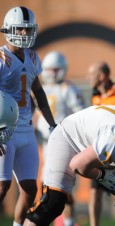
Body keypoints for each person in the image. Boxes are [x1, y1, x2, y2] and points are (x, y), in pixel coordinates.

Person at [0, 6, 57, 226]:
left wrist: (53, 124)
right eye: (20, 29)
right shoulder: (2, 57)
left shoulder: (33, 57)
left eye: (27, 30)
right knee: (2, 187)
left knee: (30, 189)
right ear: (8, 30)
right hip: (4, 130)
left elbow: (39, 93)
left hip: (26, 129)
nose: (24, 34)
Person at [34, 51, 86, 226]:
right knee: (45, 190)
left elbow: (80, 114)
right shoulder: (43, 88)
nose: (50, 73)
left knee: (64, 191)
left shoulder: (68, 88)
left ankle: (68, 223)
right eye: (48, 69)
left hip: (63, 144)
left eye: (54, 69)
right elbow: (37, 115)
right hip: (46, 143)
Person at [86, 61, 115, 226]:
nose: (88, 78)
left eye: (91, 74)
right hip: (102, 153)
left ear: (101, 76)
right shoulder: (95, 96)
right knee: (94, 191)